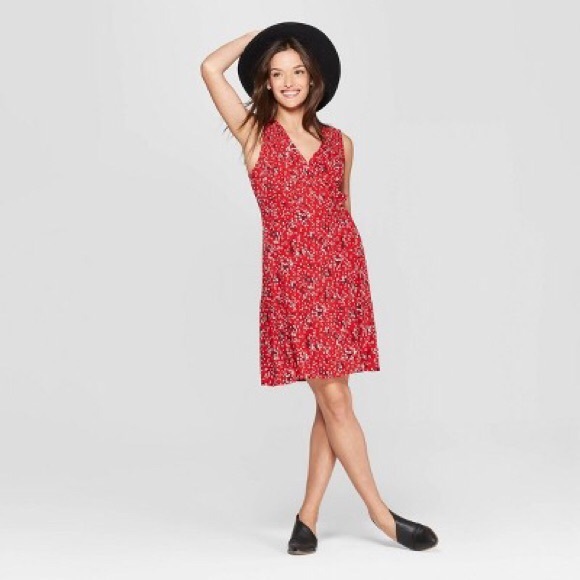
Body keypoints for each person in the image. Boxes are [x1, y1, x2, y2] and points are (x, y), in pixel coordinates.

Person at [200, 22, 438, 555]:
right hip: (293, 282)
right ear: (266, 82)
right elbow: (210, 68)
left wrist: (347, 280)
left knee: (332, 401)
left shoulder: (341, 144)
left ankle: (306, 518)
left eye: (298, 71)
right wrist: (261, 35)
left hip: (341, 276)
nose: (288, 81)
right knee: (334, 398)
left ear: (314, 79)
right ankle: (383, 516)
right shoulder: (255, 134)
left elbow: (342, 215)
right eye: (277, 73)